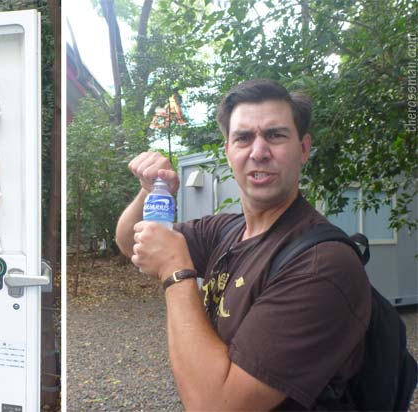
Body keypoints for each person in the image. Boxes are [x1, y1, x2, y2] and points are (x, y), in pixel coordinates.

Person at [115, 79, 371, 410]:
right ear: (228, 152)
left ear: (304, 148)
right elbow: (129, 241)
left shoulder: (322, 264)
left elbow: (216, 406)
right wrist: (151, 191)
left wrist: (176, 272)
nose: (259, 151)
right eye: (243, 138)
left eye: (276, 135)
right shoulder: (225, 230)